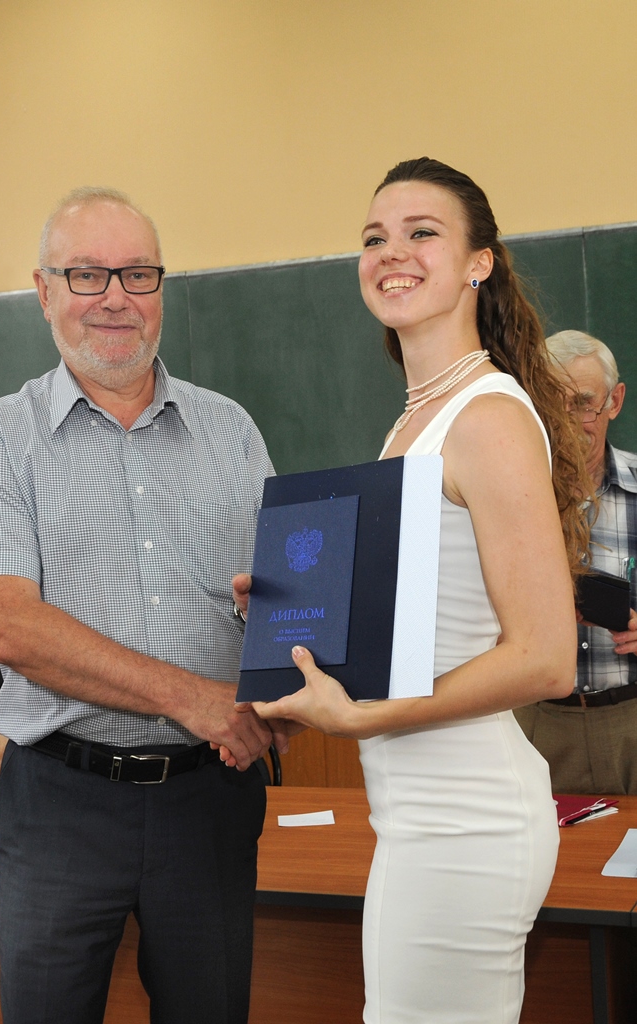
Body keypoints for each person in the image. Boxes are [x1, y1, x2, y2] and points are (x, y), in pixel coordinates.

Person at [232, 159, 592, 1024]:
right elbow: (424, 631)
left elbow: (546, 659)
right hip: (421, 817)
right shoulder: (416, 422)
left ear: (479, 263)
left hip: (467, 821)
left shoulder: (487, 418)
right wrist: (293, 611)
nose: (391, 252)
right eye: (374, 238)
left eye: (421, 232)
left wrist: (364, 719)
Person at [0, 186, 287, 1024]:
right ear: (44, 291)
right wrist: (194, 698)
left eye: (137, 274)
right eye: (86, 274)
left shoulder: (233, 431)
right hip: (60, 801)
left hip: (210, 796)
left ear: (161, 288)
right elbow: (10, 628)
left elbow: (284, 604)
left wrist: (285, 675)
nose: (114, 297)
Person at [515, 330, 637, 794]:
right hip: (536, 723)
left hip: (631, 720)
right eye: (553, 403)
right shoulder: (506, 496)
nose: (568, 422)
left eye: (584, 404)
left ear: (614, 401)